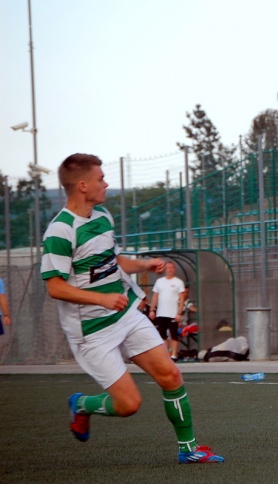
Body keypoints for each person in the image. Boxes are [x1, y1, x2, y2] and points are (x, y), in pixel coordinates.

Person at [40, 153, 223, 463]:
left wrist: (144, 264)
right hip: (92, 332)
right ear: (82, 185)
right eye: (100, 179)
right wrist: (101, 299)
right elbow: (54, 287)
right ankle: (82, 404)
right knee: (128, 405)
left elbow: (115, 260)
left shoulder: (102, 217)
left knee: (171, 375)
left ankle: (188, 450)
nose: (105, 183)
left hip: (125, 315)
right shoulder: (60, 231)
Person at [150, 261, 186, 362]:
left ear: (174, 269)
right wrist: (152, 310)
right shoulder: (159, 281)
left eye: (171, 268)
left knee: (173, 334)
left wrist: (179, 313)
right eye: (168, 268)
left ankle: (174, 354)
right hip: (161, 313)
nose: (170, 270)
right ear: (165, 269)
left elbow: (182, 299)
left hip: (173, 313)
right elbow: (155, 296)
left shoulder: (178, 282)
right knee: (162, 335)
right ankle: (166, 354)